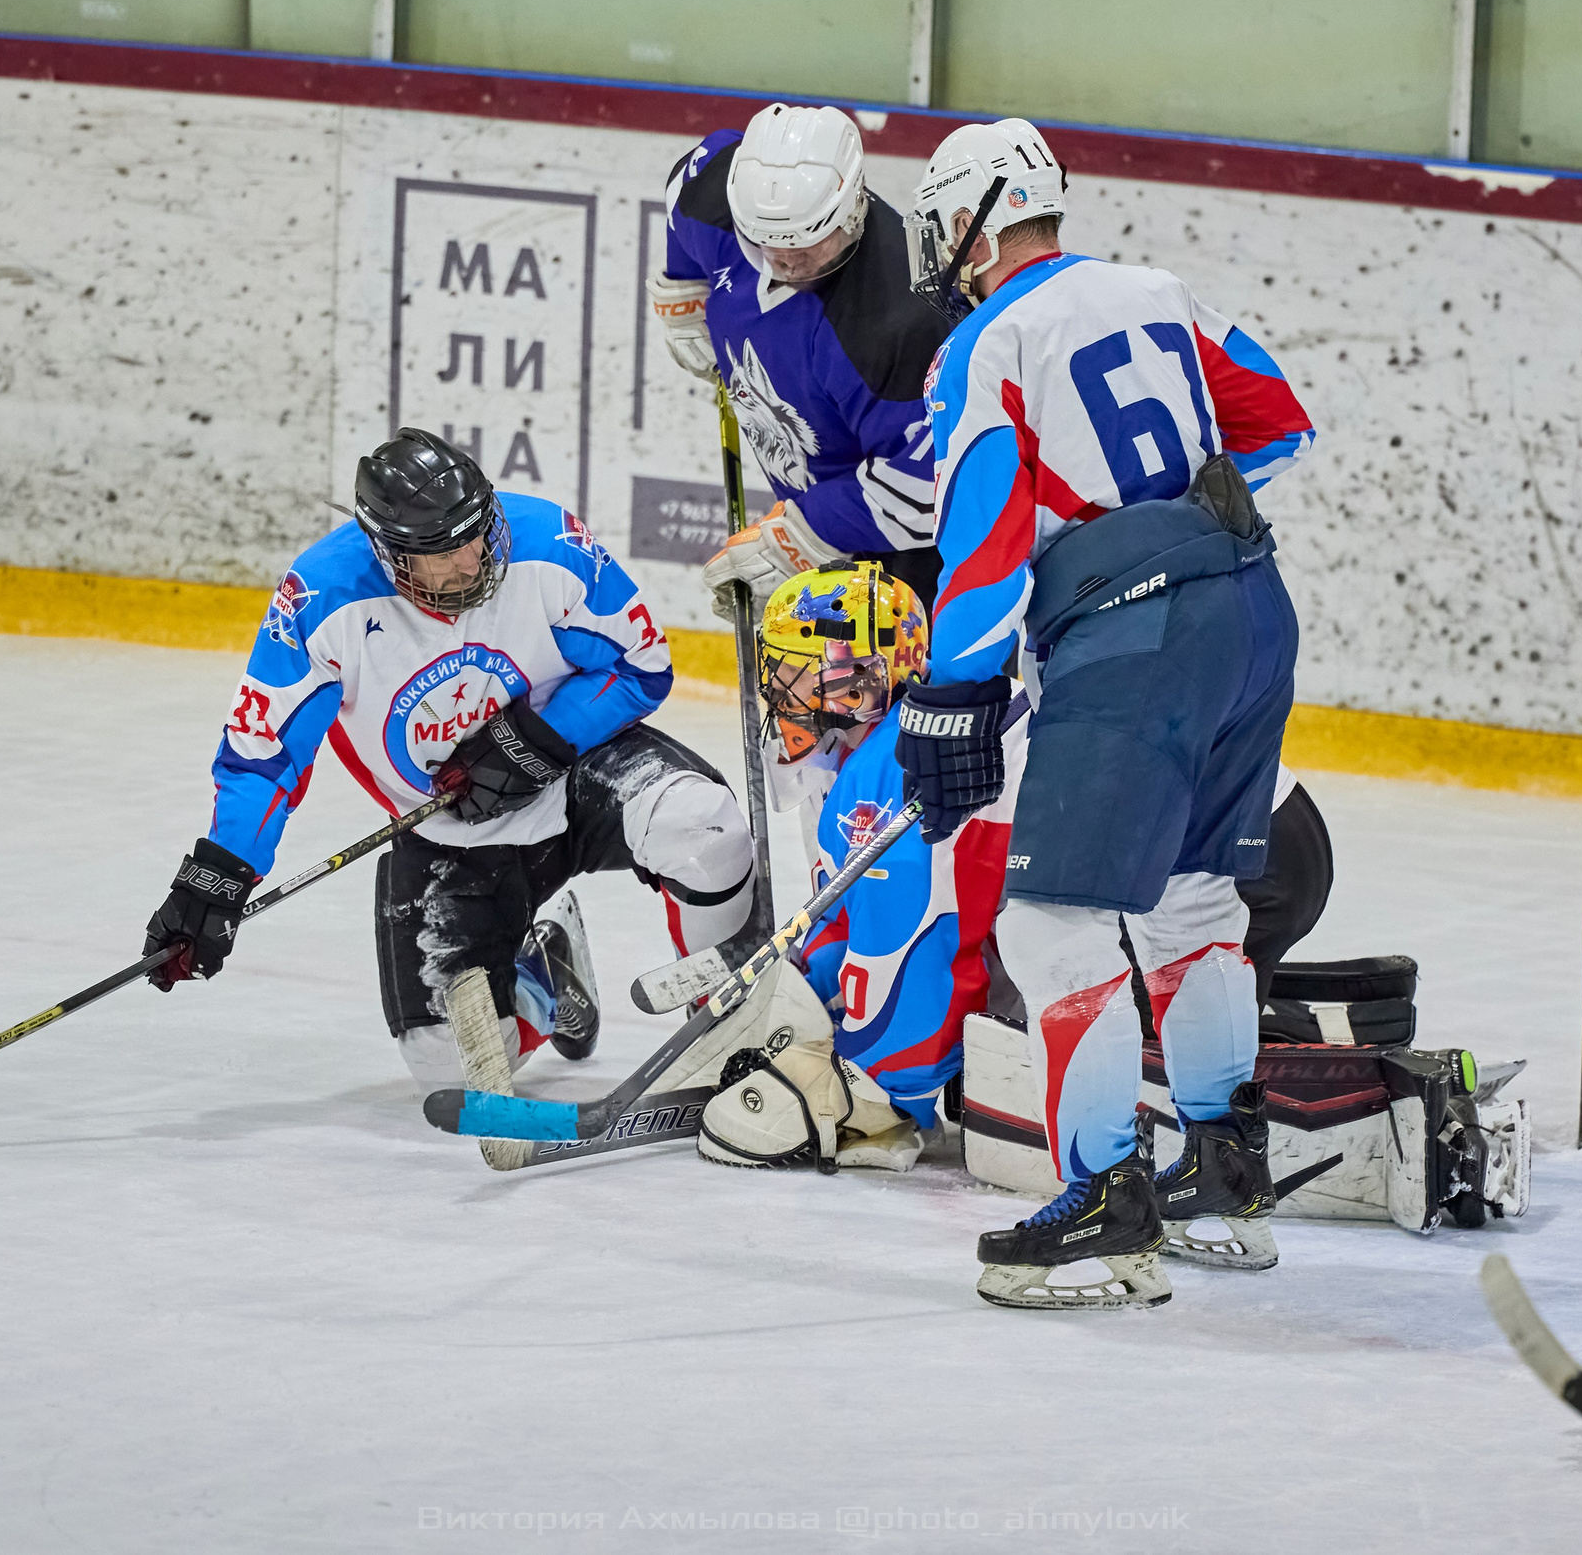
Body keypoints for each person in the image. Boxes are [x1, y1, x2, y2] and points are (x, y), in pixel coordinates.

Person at [893, 117, 1317, 1311]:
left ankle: (1104, 1205)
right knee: (1193, 906)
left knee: (1051, 925)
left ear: (971, 221)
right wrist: (1166, 532)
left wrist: (958, 689)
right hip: (1250, 608)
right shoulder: (1161, 289)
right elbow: (1280, 423)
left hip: (1137, 638)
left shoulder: (985, 337)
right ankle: (1226, 1184)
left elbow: (982, 531)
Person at [140, 428, 767, 1101]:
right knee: (448, 1066)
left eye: (477, 533)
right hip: (454, 833)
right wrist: (217, 878)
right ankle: (549, 977)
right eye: (443, 552)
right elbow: (264, 756)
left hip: (581, 773)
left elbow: (641, 666)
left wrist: (534, 739)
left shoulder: (548, 544)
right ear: (390, 554)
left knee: (705, 830)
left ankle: (727, 1033)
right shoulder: (321, 599)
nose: (472, 560)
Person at [688, 562, 1024, 1173]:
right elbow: (847, 918)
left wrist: (877, 1087)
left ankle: (902, 1083)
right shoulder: (872, 751)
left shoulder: (892, 766)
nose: (776, 688)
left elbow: (917, 940)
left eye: (794, 671)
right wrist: (802, 1011)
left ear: (859, 681)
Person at [647, 103, 954, 614]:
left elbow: (928, 486)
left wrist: (802, 535)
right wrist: (684, 290)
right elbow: (688, 183)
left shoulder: (906, 318)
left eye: (808, 244)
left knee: (887, 686)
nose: (786, 261)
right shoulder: (715, 191)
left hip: (913, 557)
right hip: (821, 492)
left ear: (852, 208)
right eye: (764, 243)